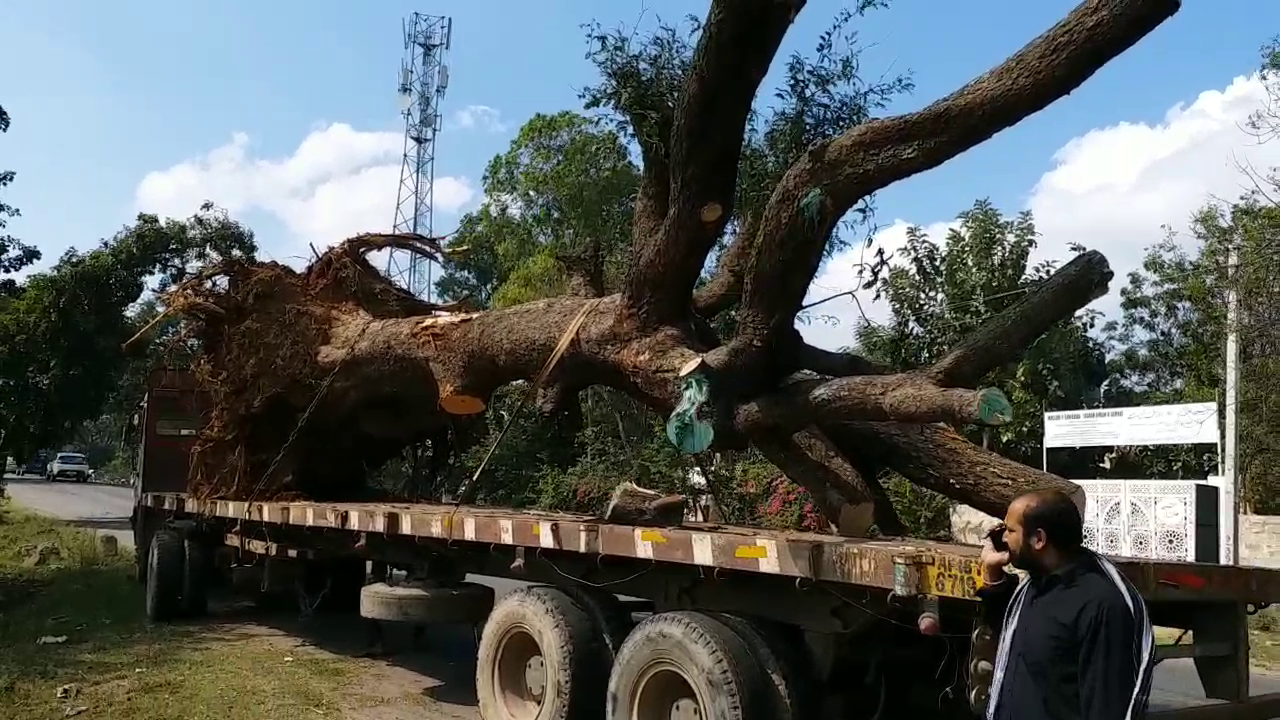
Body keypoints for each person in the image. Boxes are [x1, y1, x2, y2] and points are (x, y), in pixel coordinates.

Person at [977, 489, 1155, 720]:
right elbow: (1009, 639)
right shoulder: (1035, 585)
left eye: (1010, 530)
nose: (1003, 538)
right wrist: (993, 573)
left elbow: (1107, 705)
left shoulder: (1099, 604)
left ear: (1038, 539)